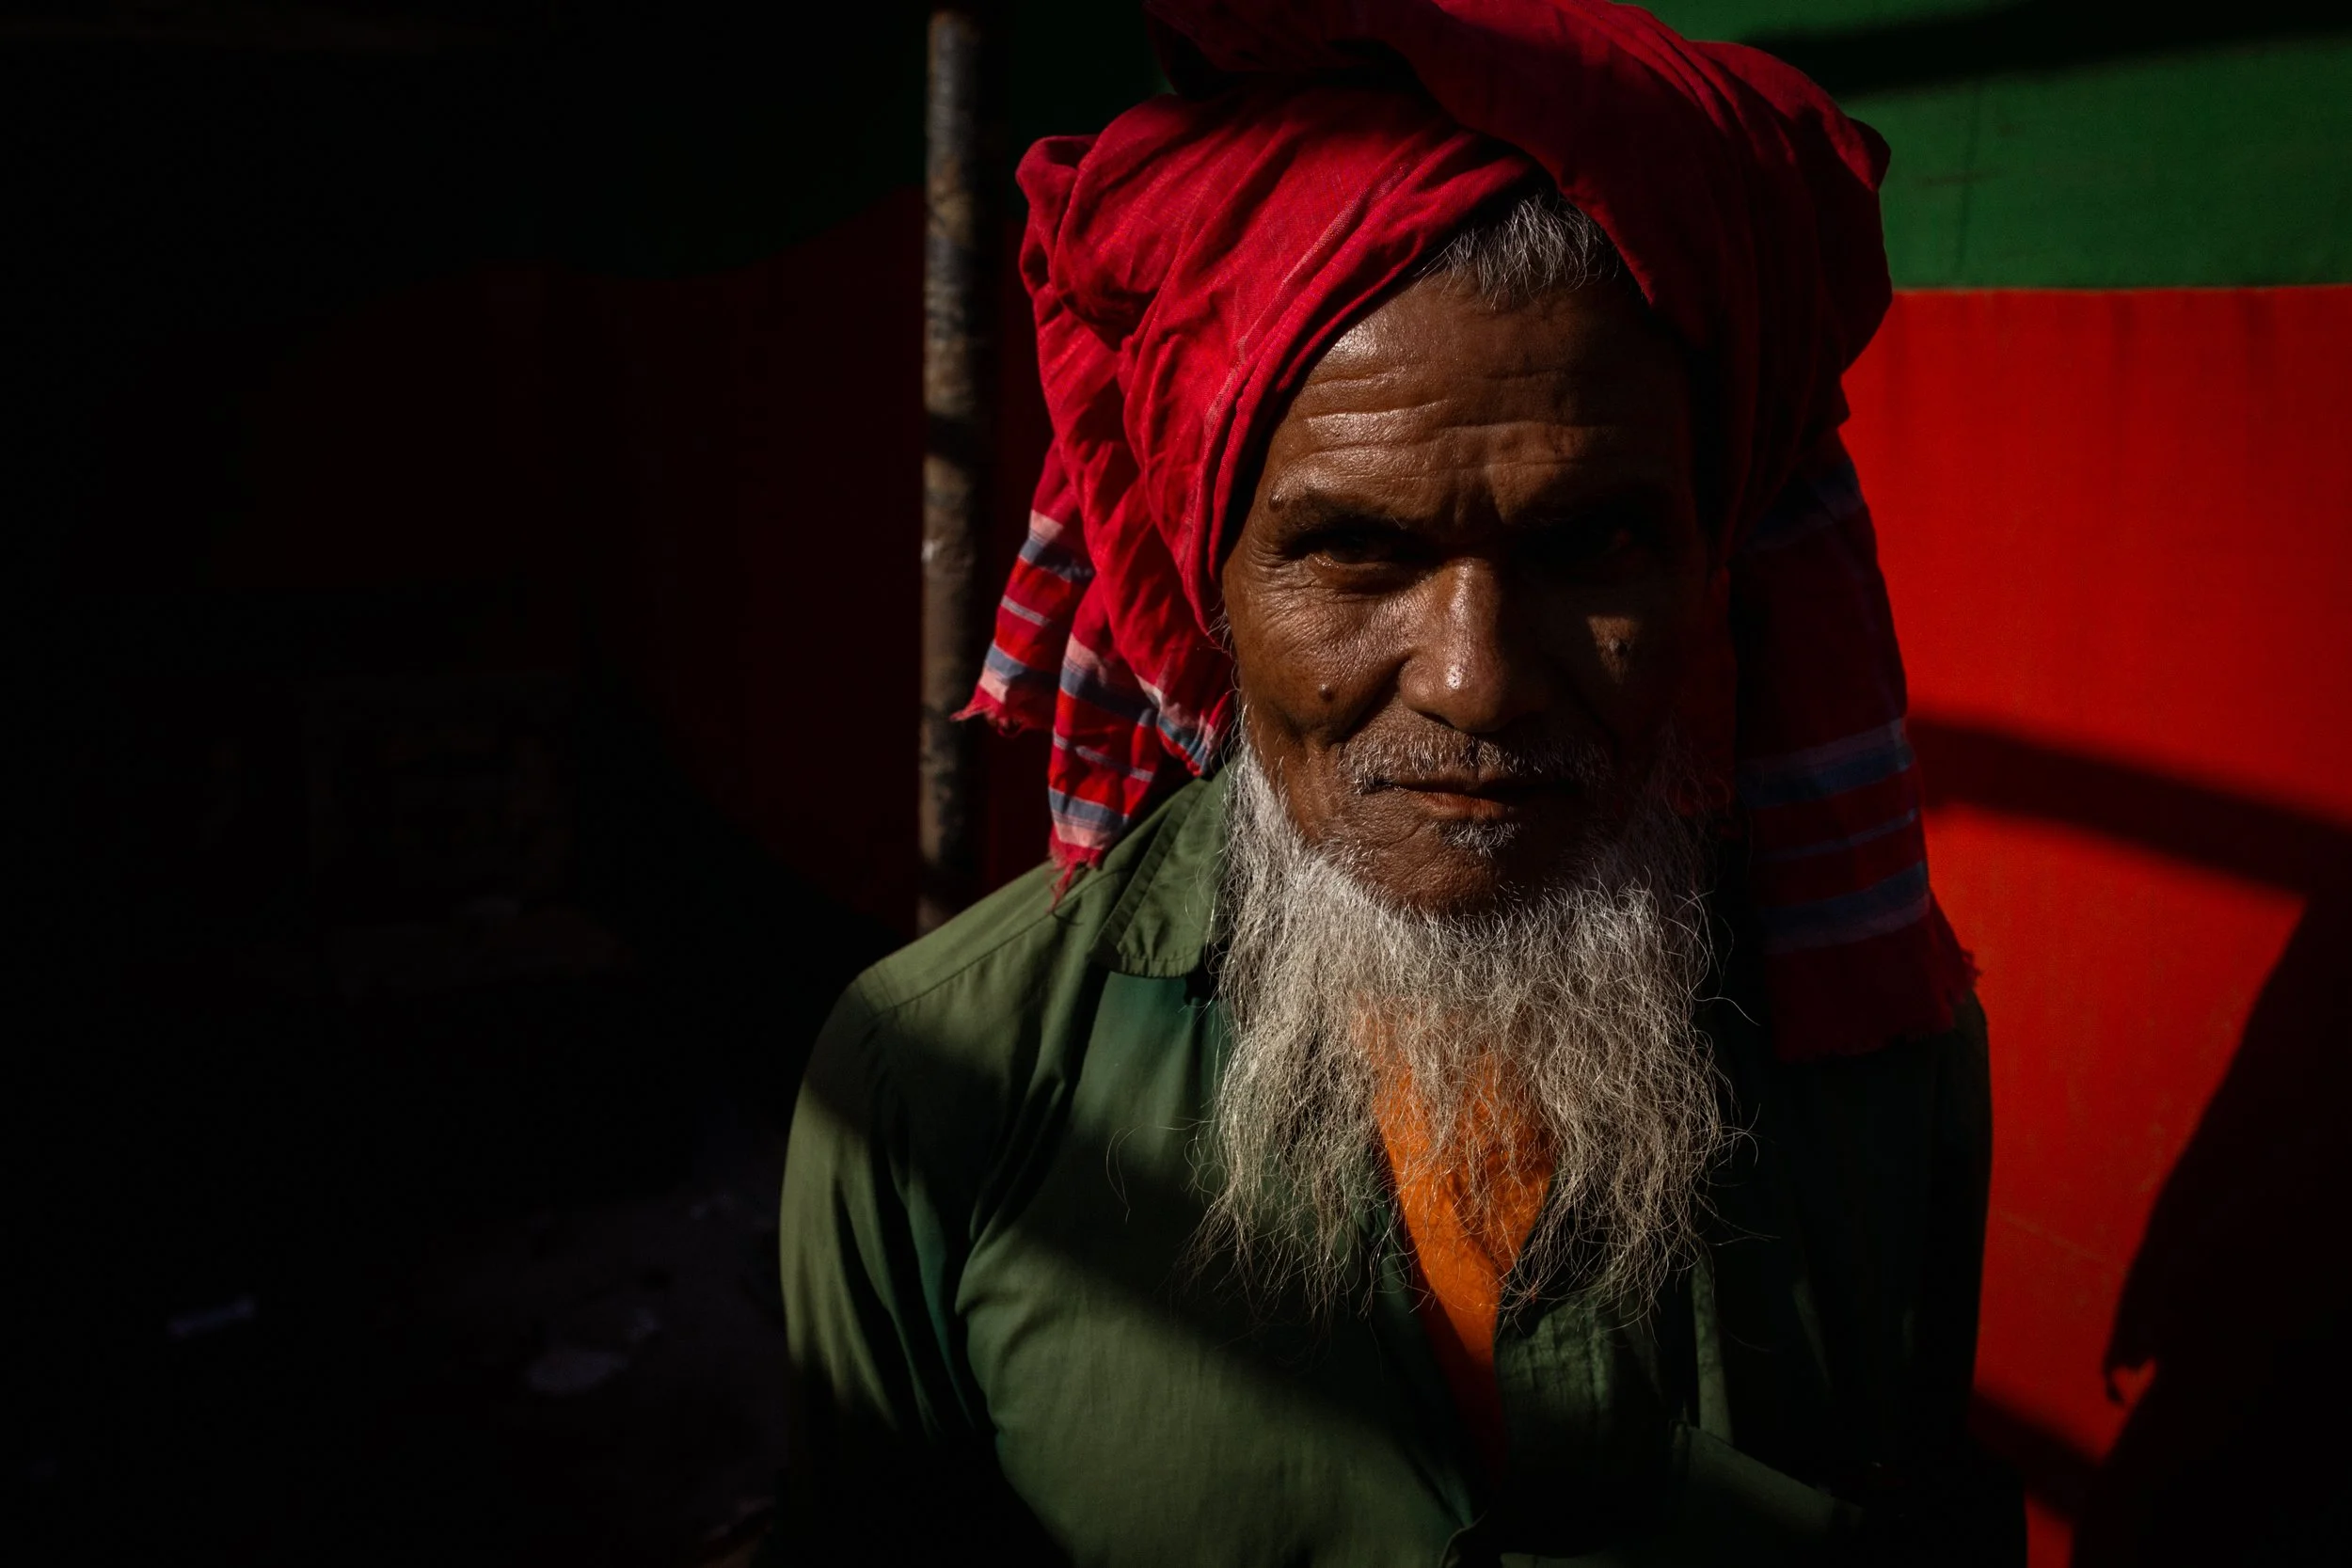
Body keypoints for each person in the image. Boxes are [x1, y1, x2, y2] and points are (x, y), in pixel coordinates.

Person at [774, 2, 2018, 1560]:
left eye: (1593, 546)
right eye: (1354, 551)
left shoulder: (1887, 1073)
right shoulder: (933, 1089)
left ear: (1715, 572)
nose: (1476, 678)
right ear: (1205, 575)